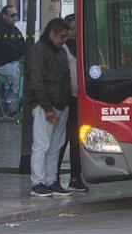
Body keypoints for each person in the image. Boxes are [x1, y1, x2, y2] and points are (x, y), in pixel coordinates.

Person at [23, 18, 73, 198]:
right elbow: (36, 82)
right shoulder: (38, 51)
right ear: (52, 33)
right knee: (42, 146)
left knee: (55, 146)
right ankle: (38, 182)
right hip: (46, 105)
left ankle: (51, 180)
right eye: (62, 36)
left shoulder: (58, 50)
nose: (64, 40)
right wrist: (47, 108)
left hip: (59, 104)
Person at [55, 14, 88, 192]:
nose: (75, 32)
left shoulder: (87, 45)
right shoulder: (62, 48)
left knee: (77, 140)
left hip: (81, 99)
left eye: (77, 28)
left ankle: (76, 177)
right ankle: (54, 177)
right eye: (72, 28)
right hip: (66, 99)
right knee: (61, 140)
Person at [0, 6, 26, 115]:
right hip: (1, 64)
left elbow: (22, 44)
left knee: (19, 76)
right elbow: (8, 48)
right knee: (16, 77)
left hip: (11, 62)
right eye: (12, 15)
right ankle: (12, 108)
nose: (15, 18)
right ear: (4, 15)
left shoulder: (14, 29)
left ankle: (15, 105)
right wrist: (20, 52)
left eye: (16, 15)